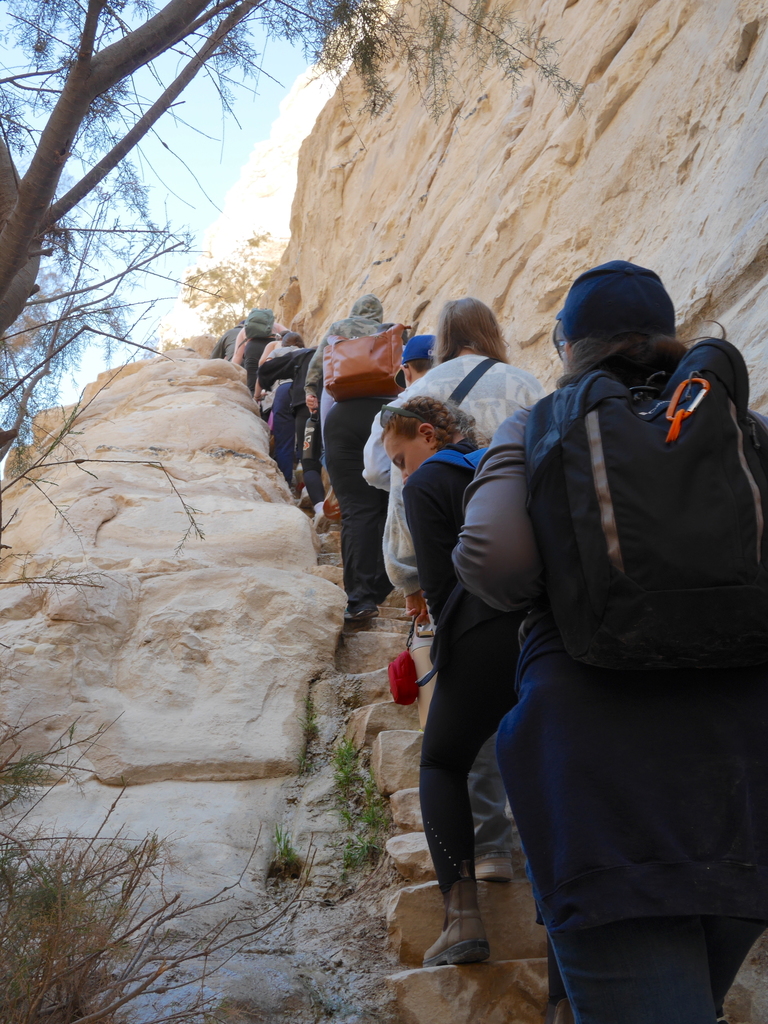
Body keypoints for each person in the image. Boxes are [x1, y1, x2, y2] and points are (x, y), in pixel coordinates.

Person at [454, 261, 768, 1024]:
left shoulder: (538, 424)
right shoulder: (738, 425)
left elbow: (494, 561)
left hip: (602, 777)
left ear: (568, 347)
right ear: (669, 337)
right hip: (746, 771)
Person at [364, 296, 545, 882]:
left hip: (441, 564)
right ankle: (544, 842)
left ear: (441, 339)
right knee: (532, 690)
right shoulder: (524, 383)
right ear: (489, 333)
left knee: (463, 702)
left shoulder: (413, 394)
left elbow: (377, 469)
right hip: (524, 562)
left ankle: (490, 848)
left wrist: (408, 579)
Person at [381, 396, 526, 968]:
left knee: (442, 761)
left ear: (427, 435)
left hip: (480, 631)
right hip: (545, 632)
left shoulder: (426, 484)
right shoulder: (500, 463)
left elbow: (440, 587)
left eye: (399, 457)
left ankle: (462, 917)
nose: (401, 471)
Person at [304, 294, 384, 433]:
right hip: (375, 392)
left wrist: (310, 390)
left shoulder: (339, 327)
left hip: (338, 389)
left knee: (328, 438)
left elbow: (319, 360)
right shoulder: (384, 331)